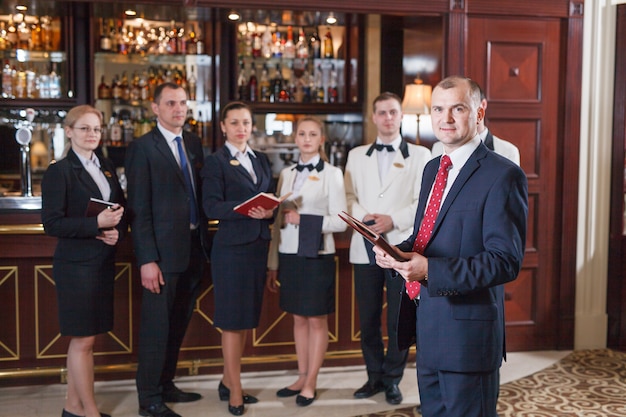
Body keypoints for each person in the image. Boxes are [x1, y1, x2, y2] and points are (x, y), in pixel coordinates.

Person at [373, 75, 528, 417]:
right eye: (438, 109)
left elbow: (505, 262)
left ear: (479, 112)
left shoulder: (503, 175)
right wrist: (395, 250)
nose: (446, 118)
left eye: (457, 109)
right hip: (429, 327)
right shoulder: (432, 169)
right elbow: (426, 236)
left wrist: (430, 269)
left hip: (469, 338)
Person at [125, 82, 209, 417]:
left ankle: (166, 383)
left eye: (183, 103)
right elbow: (139, 210)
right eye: (171, 103)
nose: (179, 109)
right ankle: (149, 399)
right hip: (161, 254)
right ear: (155, 108)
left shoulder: (191, 142)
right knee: (156, 328)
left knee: (178, 323)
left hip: (192, 248)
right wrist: (147, 259)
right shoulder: (142, 148)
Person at [344, 92, 431, 405]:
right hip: (363, 244)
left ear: (400, 116)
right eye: (381, 112)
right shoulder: (355, 155)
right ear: (373, 117)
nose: (388, 118)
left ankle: (393, 378)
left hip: (400, 247)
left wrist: (392, 219)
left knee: (398, 319)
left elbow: (422, 204)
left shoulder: (421, 155)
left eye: (393, 112)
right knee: (367, 319)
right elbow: (349, 196)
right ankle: (374, 377)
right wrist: (364, 220)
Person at [41, 104, 126, 417]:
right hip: (75, 266)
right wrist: (96, 225)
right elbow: (51, 224)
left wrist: (116, 230)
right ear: (69, 131)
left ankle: (72, 408)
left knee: (86, 340)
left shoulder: (105, 167)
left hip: (102, 260)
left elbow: (119, 208)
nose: (92, 134)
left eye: (96, 129)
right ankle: (90, 411)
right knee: (83, 340)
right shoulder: (58, 171)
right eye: (85, 128)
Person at [266, 116, 347, 407]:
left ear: (321, 140)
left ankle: (311, 381)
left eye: (313, 134)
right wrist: (273, 262)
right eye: (302, 133)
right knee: (298, 317)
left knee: (316, 319)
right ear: (296, 138)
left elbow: (341, 222)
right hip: (290, 254)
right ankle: (301, 376)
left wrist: (304, 220)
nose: (307, 139)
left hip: (317, 255)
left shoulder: (333, 174)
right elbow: (278, 222)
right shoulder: (286, 173)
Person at [201, 101, 274, 416]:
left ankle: (226, 380)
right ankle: (235, 390)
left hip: (257, 246)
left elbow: (269, 205)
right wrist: (246, 208)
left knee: (244, 319)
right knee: (232, 322)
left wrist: (270, 211)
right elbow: (211, 207)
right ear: (223, 127)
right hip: (230, 250)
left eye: (245, 122)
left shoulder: (261, 159)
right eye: (234, 123)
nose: (241, 128)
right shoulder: (215, 162)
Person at [431, 81, 520, 165]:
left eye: (459, 109)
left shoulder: (507, 151)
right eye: (439, 109)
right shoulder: (438, 147)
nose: (447, 119)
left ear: (482, 106)